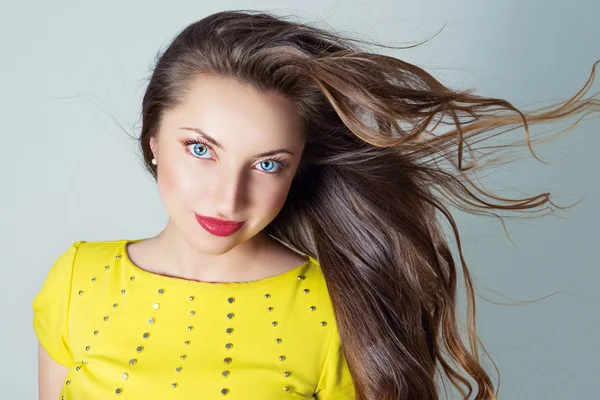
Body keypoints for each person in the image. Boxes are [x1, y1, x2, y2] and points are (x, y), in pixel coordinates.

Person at [32, 9, 599, 400]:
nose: (229, 197)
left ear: (298, 167)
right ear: (153, 138)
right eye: (201, 149)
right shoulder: (79, 278)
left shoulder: (337, 308)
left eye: (267, 163)